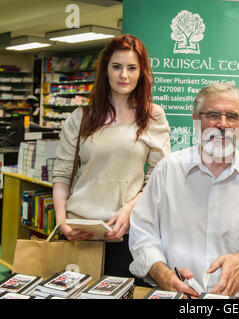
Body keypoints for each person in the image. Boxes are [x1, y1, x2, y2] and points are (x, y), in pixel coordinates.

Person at [128, 83, 239, 298]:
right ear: (196, 120)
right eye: (213, 115)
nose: (223, 124)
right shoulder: (168, 170)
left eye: (232, 116)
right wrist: (161, 273)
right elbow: (143, 234)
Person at [52, 34, 171, 278]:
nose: (124, 75)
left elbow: (158, 177)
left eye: (131, 68)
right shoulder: (81, 117)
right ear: (106, 70)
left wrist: (130, 208)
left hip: (126, 233)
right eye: (116, 67)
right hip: (80, 231)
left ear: (141, 73)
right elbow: (62, 175)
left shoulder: (152, 116)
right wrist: (62, 222)